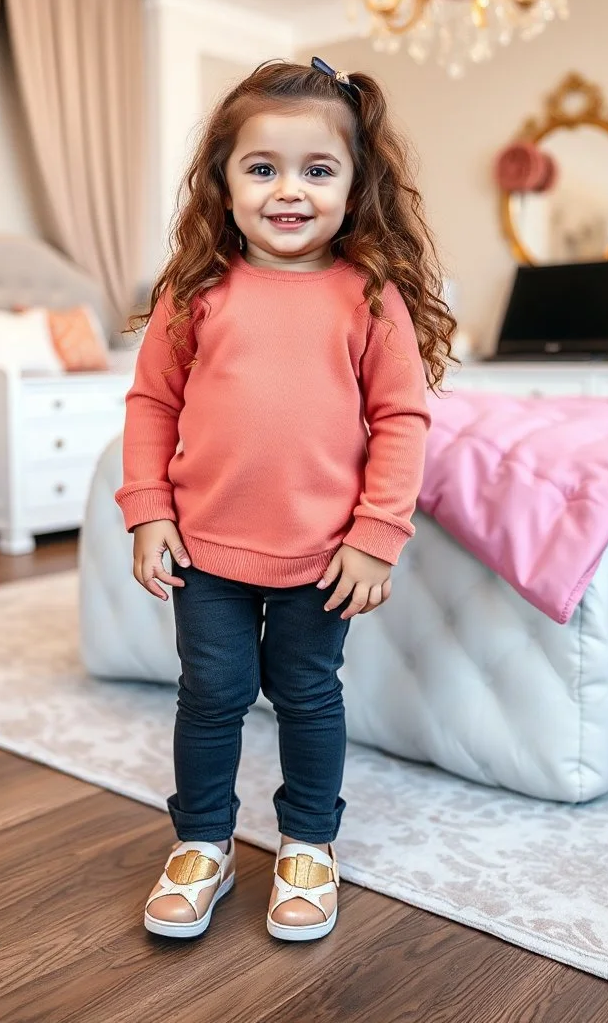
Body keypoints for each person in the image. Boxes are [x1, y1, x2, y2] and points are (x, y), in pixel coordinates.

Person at [115, 57, 454, 942]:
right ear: (222, 182)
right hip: (205, 548)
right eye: (261, 168)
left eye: (317, 169)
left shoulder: (369, 296)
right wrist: (148, 508)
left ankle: (308, 841)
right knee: (211, 693)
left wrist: (378, 535)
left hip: (323, 554)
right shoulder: (193, 292)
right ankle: (202, 843)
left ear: (354, 185)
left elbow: (401, 418)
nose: (288, 190)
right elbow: (151, 403)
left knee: (307, 694)